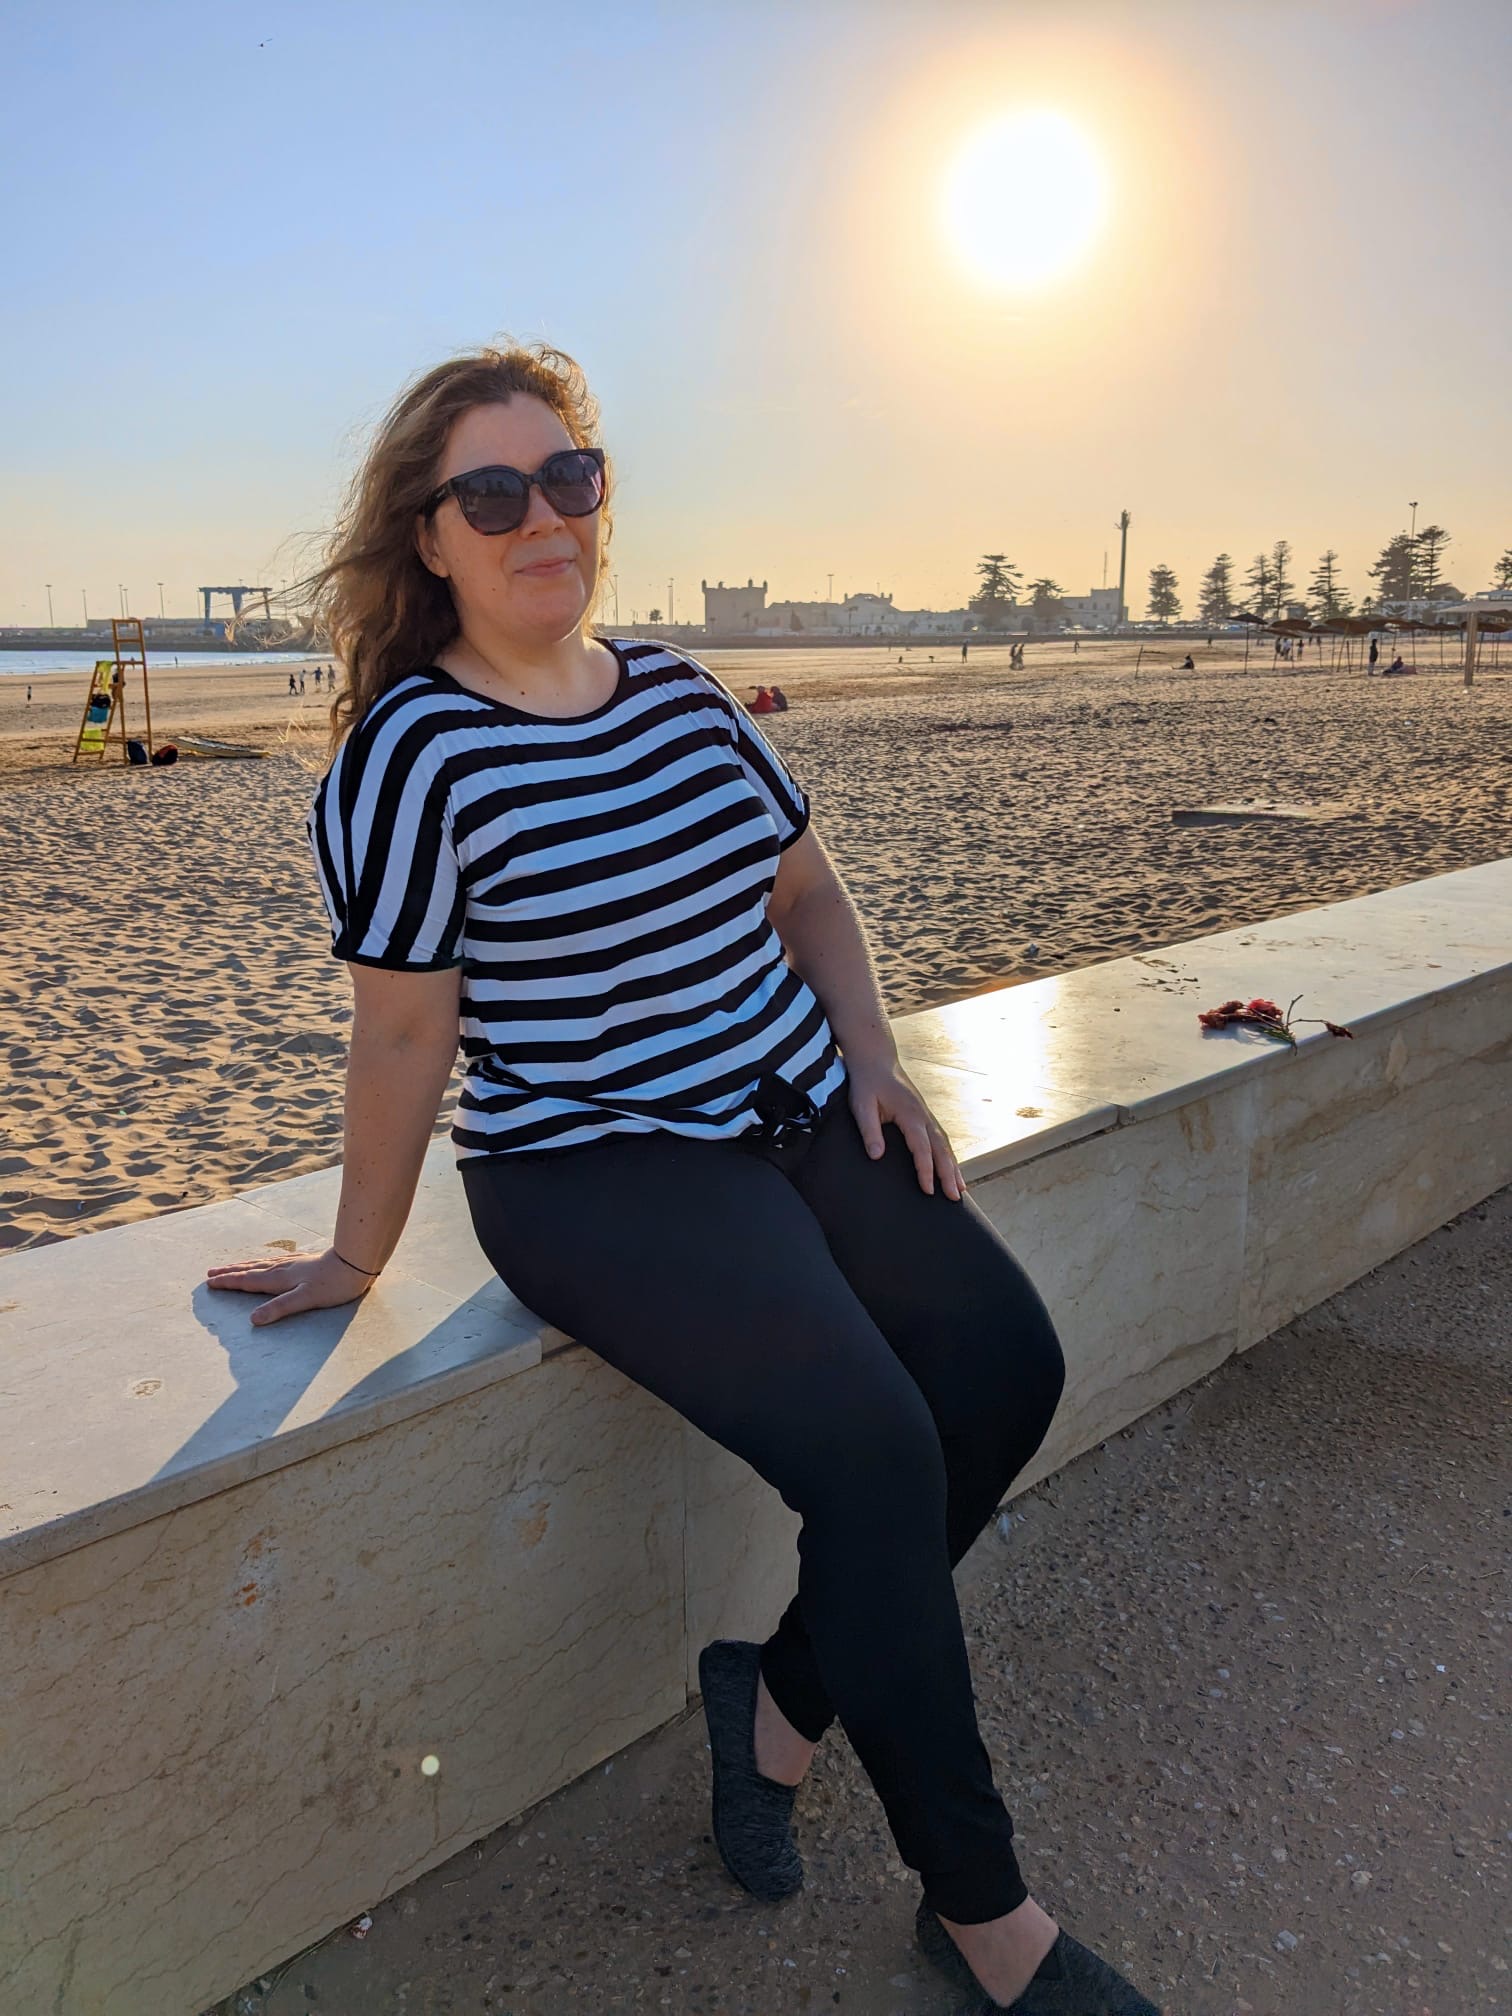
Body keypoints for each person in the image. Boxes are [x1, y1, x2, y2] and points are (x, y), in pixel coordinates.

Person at [204, 344, 1157, 2016]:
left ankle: (778, 1698)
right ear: (428, 540)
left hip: (786, 1106)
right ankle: (988, 1919)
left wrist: (874, 1056)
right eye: (489, 494)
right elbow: (407, 1039)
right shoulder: (410, 756)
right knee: (872, 1447)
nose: (539, 517)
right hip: (596, 1164)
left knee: (1008, 1368)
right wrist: (358, 1257)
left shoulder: (681, 696)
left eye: (567, 479)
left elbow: (809, 897)